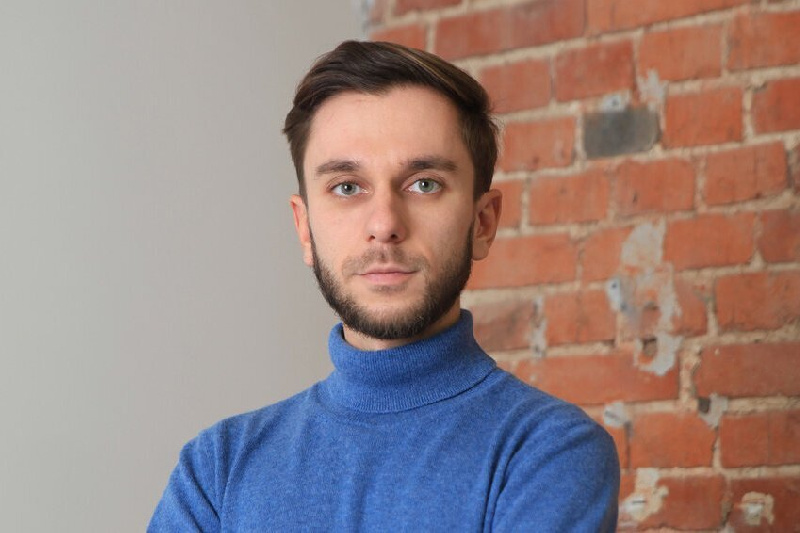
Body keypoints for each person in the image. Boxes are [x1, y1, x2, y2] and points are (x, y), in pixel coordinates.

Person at [149, 40, 619, 531]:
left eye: (424, 184)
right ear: (305, 229)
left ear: (482, 223)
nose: (385, 225)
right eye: (347, 187)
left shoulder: (549, 452)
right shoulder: (217, 470)